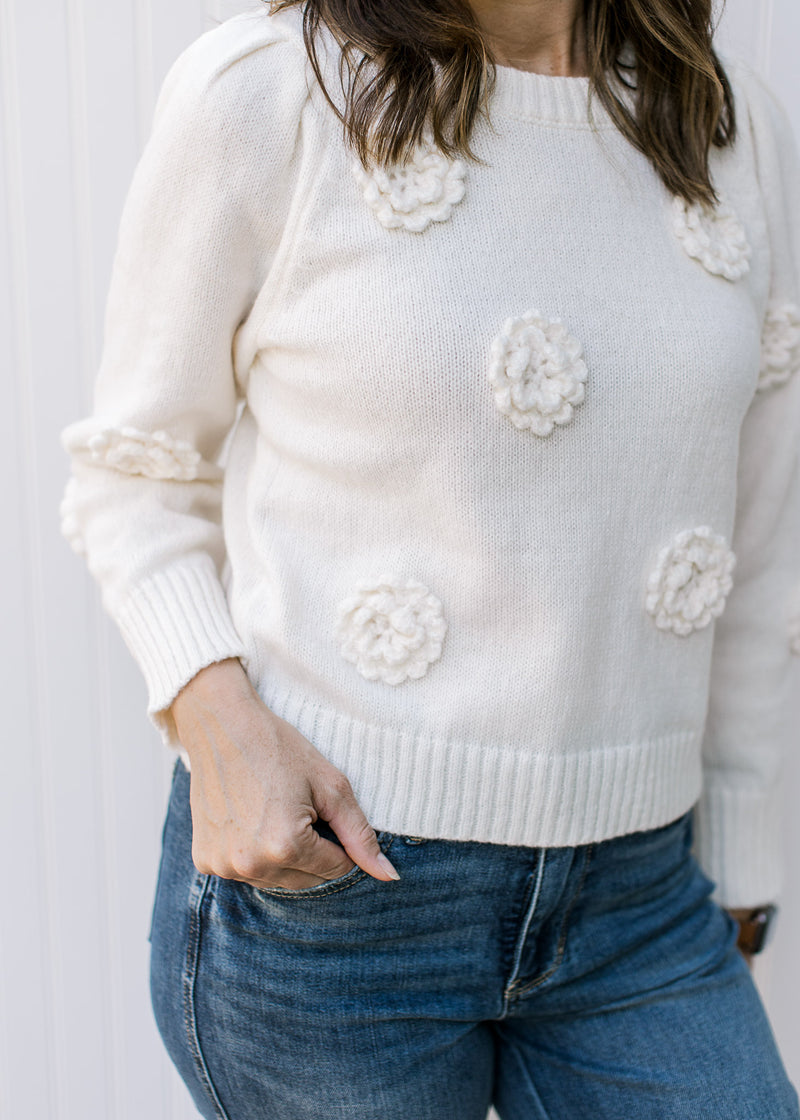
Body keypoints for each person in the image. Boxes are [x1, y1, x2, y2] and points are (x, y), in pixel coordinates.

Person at [58, 0, 800, 1115]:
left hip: (641, 897)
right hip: (335, 899)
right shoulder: (270, 91)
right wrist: (217, 728)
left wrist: (740, 871)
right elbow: (136, 471)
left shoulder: (727, 124)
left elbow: (757, 543)